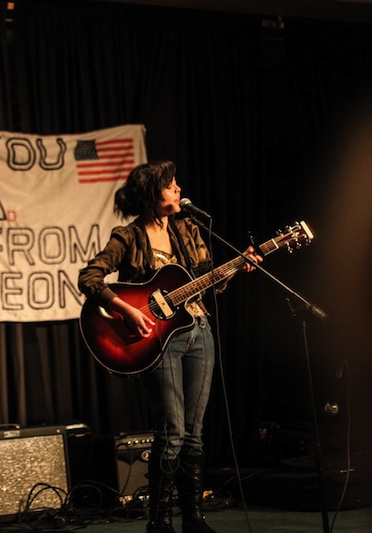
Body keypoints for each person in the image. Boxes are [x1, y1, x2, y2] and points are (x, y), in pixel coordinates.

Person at [77, 160, 261, 533]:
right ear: (150, 194)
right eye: (170, 185)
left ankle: (193, 518)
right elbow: (90, 277)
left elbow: (208, 281)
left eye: (177, 183)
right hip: (156, 341)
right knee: (171, 431)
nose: (177, 189)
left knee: (194, 432)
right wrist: (126, 309)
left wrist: (235, 268)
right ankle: (159, 521)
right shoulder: (127, 237)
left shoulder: (187, 228)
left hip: (198, 330)